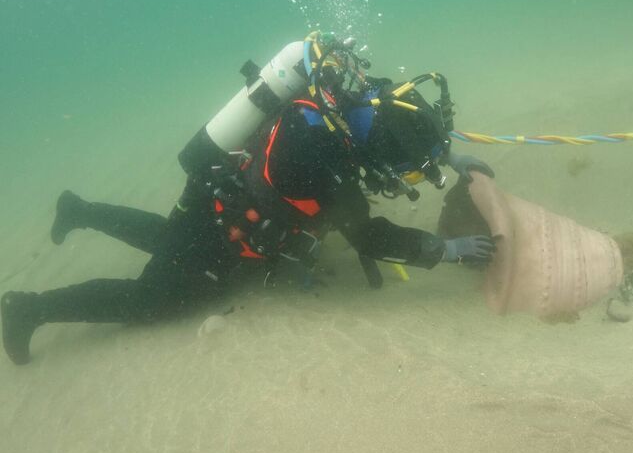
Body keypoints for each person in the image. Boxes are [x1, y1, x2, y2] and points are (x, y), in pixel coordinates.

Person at [1, 33, 494, 365]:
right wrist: (445, 251)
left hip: (215, 188)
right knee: (157, 297)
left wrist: (446, 155)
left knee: (168, 237)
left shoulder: (349, 100)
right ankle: (28, 308)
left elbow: (398, 105)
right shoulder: (326, 167)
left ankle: (78, 210)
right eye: (404, 168)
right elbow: (370, 236)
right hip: (218, 219)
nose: (396, 178)